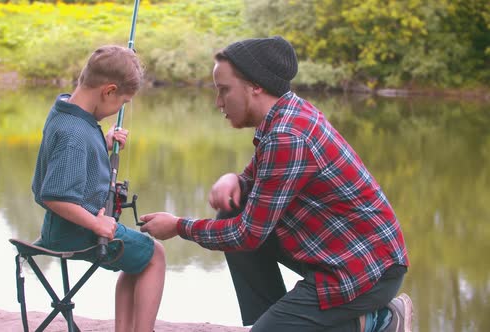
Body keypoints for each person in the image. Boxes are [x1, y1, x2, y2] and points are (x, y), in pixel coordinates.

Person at [139, 36, 412, 332]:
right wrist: (236, 179)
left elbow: (248, 235)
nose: (219, 102)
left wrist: (179, 226)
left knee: (238, 228)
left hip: (364, 271)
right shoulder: (286, 115)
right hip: (337, 254)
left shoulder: (287, 137)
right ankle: (269, 321)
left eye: (224, 90)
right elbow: (254, 180)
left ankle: (381, 320)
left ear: (255, 86)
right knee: (232, 211)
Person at [31, 45, 165, 332]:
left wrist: (102, 143)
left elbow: (71, 157)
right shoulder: (75, 134)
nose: (120, 109)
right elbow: (54, 196)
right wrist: (97, 224)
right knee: (155, 255)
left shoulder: (68, 111)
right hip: (77, 233)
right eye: (123, 102)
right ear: (109, 90)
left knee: (137, 259)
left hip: (60, 229)